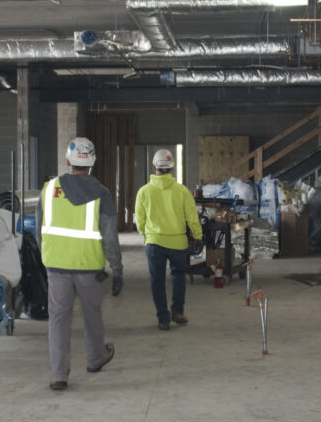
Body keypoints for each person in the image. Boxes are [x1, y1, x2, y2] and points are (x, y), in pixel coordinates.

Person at [37, 137, 123, 391]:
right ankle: (96, 359)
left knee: (58, 318)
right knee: (92, 313)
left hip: (56, 264)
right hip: (88, 266)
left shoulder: (49, 189)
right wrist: (117, 269)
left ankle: (58, 375)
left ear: (68, 161)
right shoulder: (102, 194)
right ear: (92, 164)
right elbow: (110, 237)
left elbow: (40, 230)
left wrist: (48, 256)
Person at [134, 149, 202, 331]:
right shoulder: (182, 191)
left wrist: (147, 234)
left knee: (157, 280)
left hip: (154, 243)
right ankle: (177, 311)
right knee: (179, 277)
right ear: (172, 168)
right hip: (178, 243)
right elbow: (192, 217)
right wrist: (198, 235)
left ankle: (163, 319)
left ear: (154, 167)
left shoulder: (144, 192)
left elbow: (139, 221)